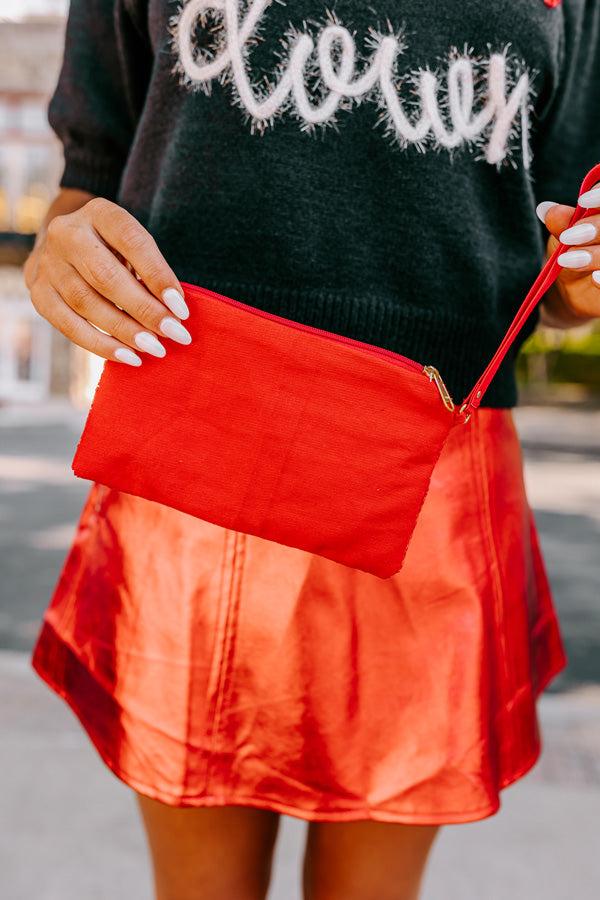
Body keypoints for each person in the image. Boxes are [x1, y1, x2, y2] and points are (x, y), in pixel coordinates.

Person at [26, 2, 600, 898]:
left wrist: (589, 282)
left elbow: (556, 262)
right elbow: (89, 176)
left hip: (426, 475)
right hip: (195, 439)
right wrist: (61, 246)